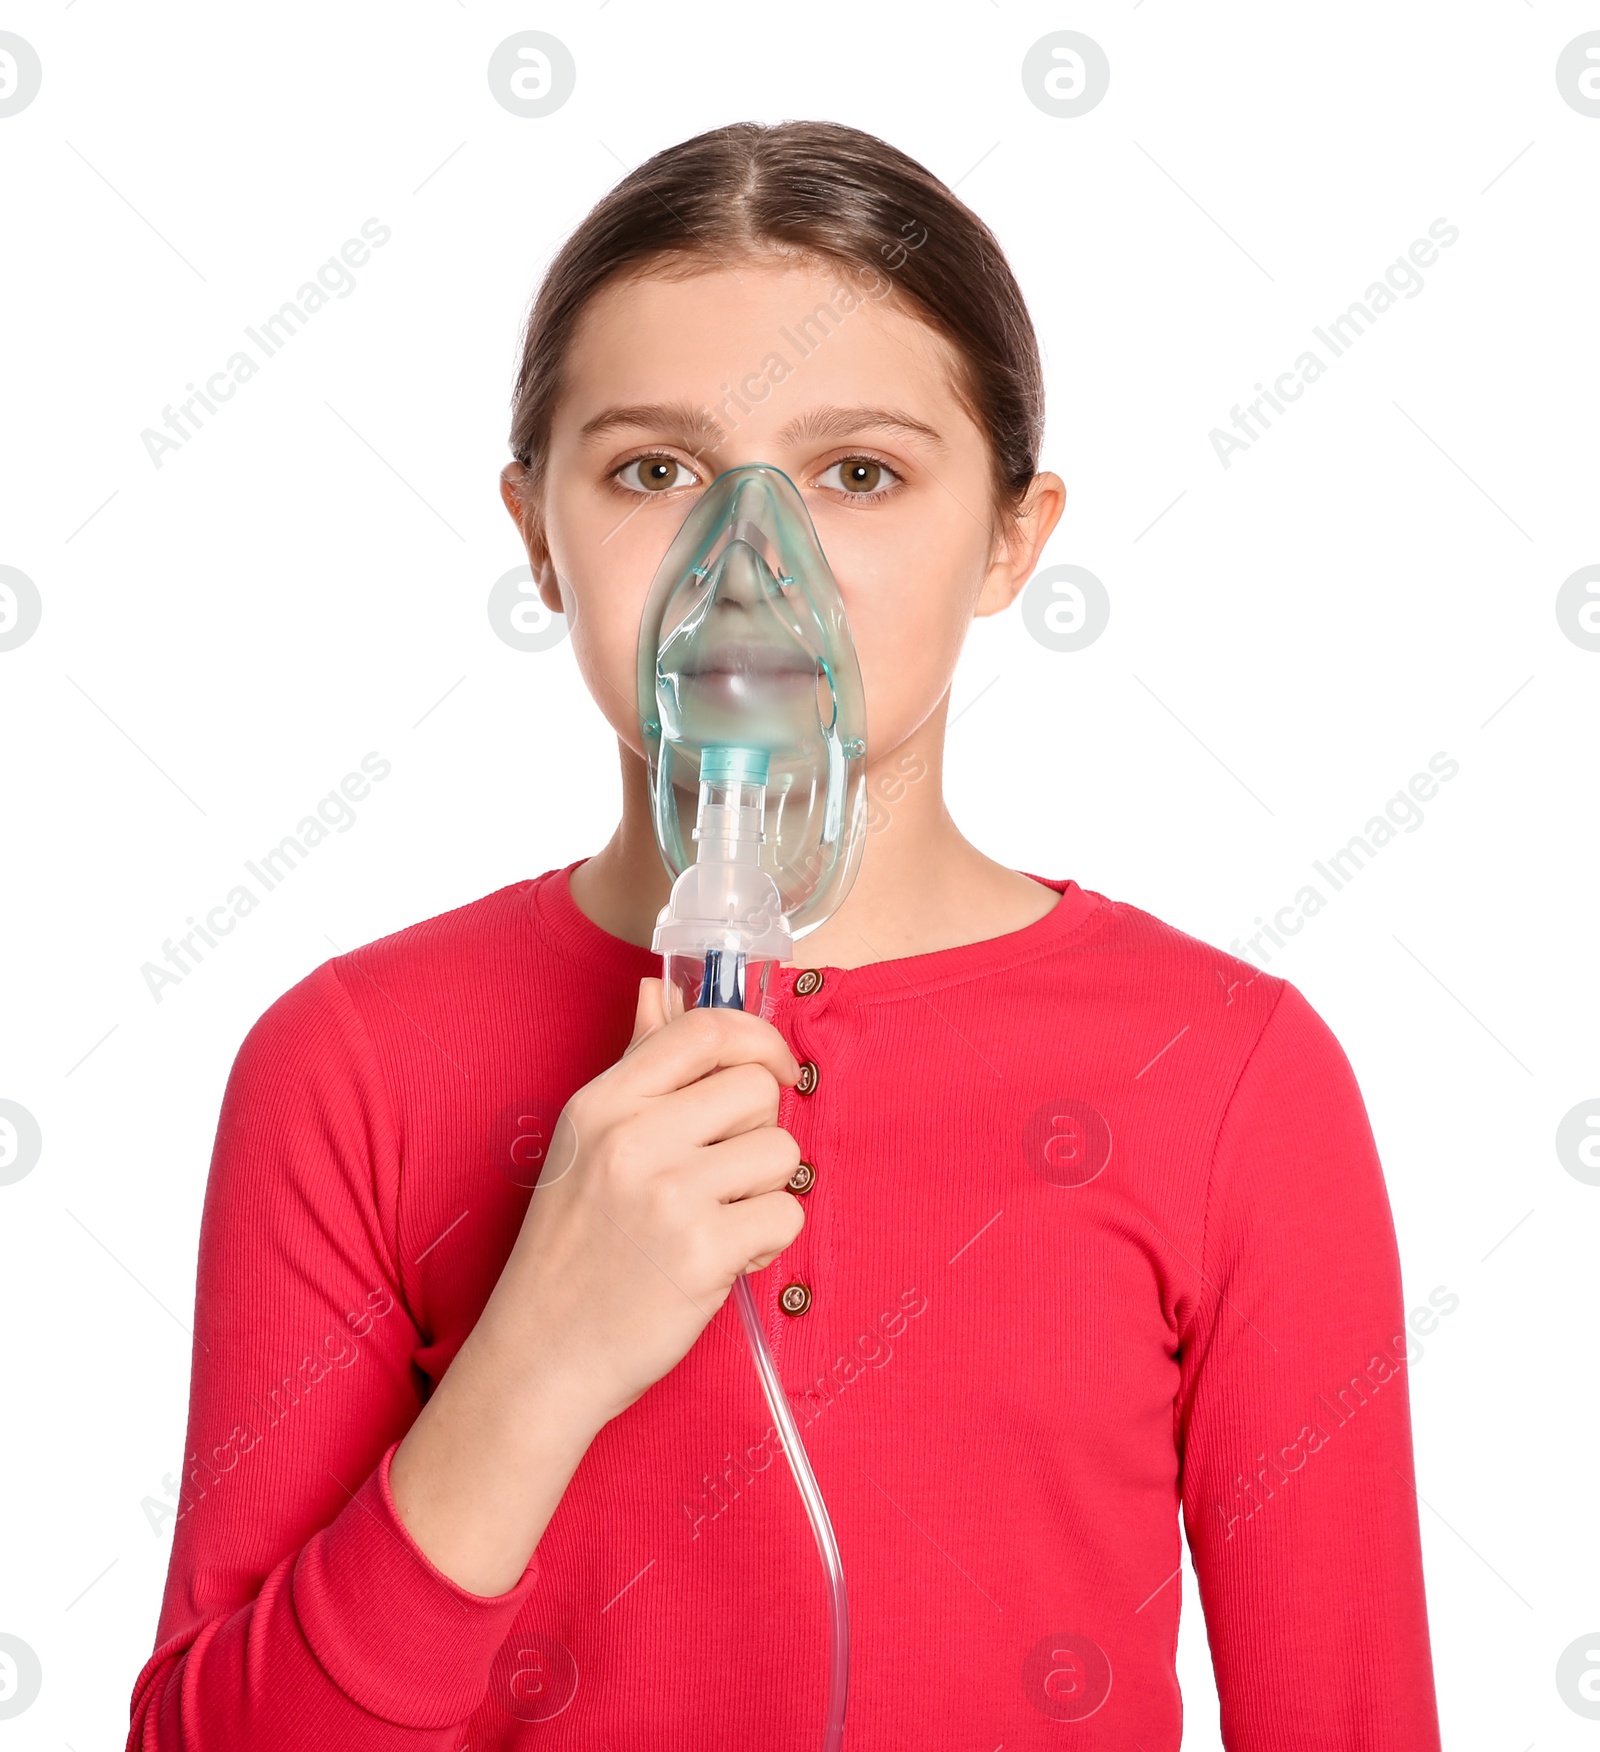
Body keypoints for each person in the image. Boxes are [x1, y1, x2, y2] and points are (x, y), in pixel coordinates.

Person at [129, 121, 1443, 1749]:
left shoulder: (1226, 1074)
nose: (750, 568)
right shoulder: (354, 1065)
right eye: (653, 471)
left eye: (861, 473)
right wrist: (536, 1361)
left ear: (1012, 539)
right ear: (536, 528)